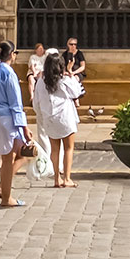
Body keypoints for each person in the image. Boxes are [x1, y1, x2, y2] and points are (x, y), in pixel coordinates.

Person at [0, 41, 29, 208]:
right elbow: (16, 103)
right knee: (11, 158)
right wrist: (24, 128)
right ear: (12, 54)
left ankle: (5, 192)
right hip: (7, 119)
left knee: (7, 158)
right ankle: (6, 196)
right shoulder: (9, 73)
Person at [36, 50, 81, 188]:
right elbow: (76, 92)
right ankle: (67, 178)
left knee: (54, 149)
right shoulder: (64, 81)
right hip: (65, 117)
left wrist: (42, 115)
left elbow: (36, 102)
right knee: (68, 148)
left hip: (49, 118)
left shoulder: (41, 83)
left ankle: (57, 178)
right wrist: (70, 72)